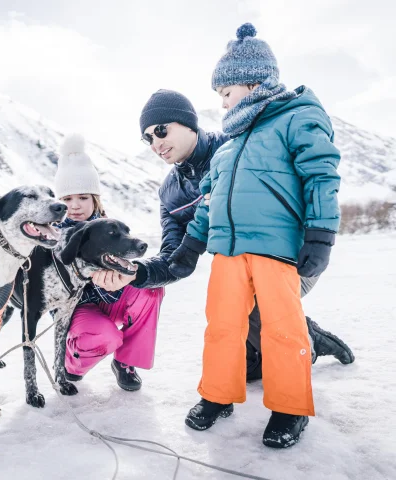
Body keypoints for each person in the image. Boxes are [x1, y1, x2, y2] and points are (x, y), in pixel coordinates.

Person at [172, 23, 343, 447]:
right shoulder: (228, 145)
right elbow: (209, 201)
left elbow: (321, 175)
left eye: (225, 92)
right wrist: (191, 245)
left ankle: (289, 407)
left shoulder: (297, 117)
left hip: (276, 250)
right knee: (223, 327)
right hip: (228, 253)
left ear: (252, 81)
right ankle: (218, 396)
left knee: (282, 329)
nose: (222, 101)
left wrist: (320, 234)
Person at [136, 93, 353, 381]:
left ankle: (307, 340)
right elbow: (174, 255)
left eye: (161, 130)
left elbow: (314, 175)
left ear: (189, 123)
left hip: (294, 258)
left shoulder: (235, 147)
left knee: (247, 300)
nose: (156, 143)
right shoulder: (169, 194)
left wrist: (319, 237)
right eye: (147, 138)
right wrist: (137, 273)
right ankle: (269, 347)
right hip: (240, 271)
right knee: (234, 312)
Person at [54, 135, 165, 391]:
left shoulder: (111, 228)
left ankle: (126, 362)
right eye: (67, 199)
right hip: (75, 309)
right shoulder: (52, 235)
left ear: (95, 198)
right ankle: (73, 361)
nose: (75, 206)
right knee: (104, 337)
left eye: (82, 197)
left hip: (110, 299)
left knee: (149, 290)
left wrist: (123, 278)